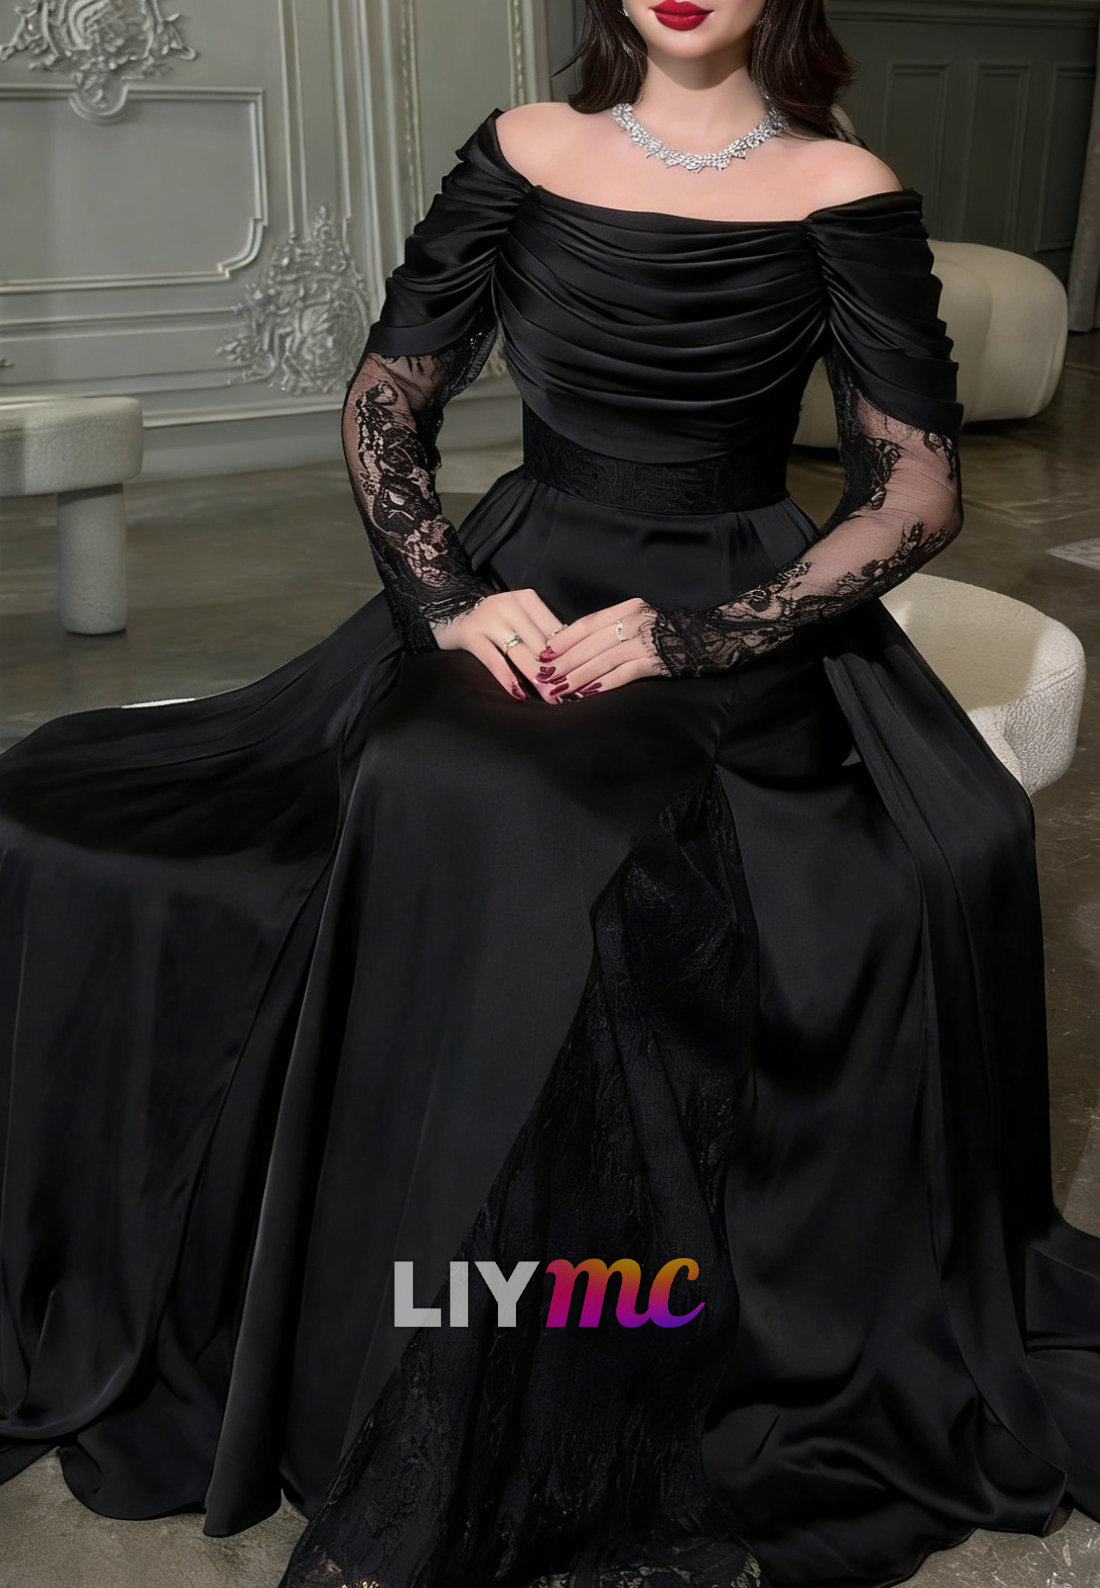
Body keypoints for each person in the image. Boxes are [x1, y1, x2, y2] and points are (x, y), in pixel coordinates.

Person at [1, 0, 1099, 1584]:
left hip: (723, 608)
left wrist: (697, 635)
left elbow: (915, 486)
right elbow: (387, 399)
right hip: (521, 576)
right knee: (417, 775)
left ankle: (532, 1341)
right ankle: (391, 1326)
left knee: (570, 827)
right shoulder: (523, 148)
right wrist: (448, 597)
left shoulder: (839, 186)